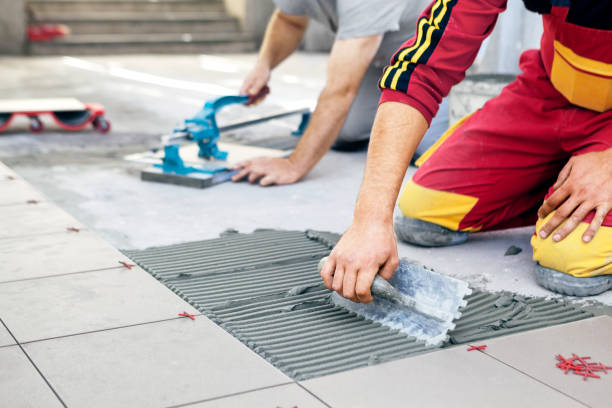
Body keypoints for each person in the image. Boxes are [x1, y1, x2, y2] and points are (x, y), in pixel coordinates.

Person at [321, 0, 612, 300]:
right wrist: (369, 220)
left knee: (571, 262)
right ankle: (564, 181)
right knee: (424, 210)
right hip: (554, 89)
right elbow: (423, 67)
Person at [231, 0, 448, 186]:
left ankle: (459, 99)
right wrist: (264, 66)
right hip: (381, 57)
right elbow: (290, 20)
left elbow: (341, 89)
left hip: (433, 54)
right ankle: (394, 102)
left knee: (422, 144)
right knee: (346, 132)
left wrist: (293, 164)